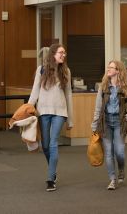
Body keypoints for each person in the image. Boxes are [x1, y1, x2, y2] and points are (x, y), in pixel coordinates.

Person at [28, 43, 73, 192]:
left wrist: (70, 119)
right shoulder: (41, 70)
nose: (63, 55)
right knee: (45, 146)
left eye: (64, 53)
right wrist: (28, 109)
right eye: (61, 52)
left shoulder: (66, 71)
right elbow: (35, 92)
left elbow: (68, 95)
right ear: (53, 54)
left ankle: (50, 179)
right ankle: (53, 171)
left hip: (60, 112)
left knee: (53, 143)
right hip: (43, 112)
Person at [91, 60, 127, 190]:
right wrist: (94, 125)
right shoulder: (103, 87)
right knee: (109, 153)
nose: (108, 69)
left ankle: (121, 169)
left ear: (118, 71)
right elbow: (98, 108)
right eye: (108, 67)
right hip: (105, 122)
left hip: (119, 122)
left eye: (111, 67)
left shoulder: (126, 88)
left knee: (120, 152)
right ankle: (112, 179)